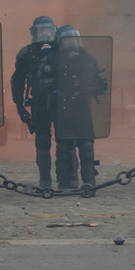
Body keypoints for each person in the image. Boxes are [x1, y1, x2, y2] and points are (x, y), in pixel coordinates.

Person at [52, 26, 108, 189]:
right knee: (64, 146)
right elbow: (43, 81)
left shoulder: (88, 59)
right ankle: (65, 181)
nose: (72, 44)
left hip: (82, 107)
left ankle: (89, 181)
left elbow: (99, 82)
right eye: (67, 41)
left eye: (74, 40)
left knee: (86, 146)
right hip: (62, 109)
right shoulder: (53, 59)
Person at [11, 15, 58, 188]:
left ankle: (66, 177)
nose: (44, 35)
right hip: (39, 102)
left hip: (58, 101)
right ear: (34, 33)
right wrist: (19, 105)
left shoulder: (60, 49)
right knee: (43, 141)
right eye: (41, 31)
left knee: (64, 139)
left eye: (48, 31)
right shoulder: (27, 53)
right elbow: (18, 81)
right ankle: (45, 179)